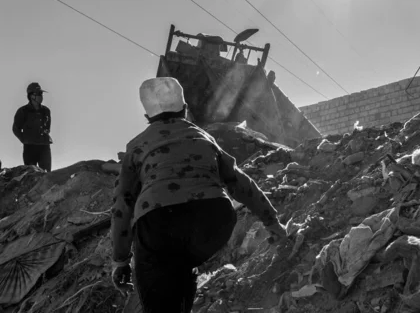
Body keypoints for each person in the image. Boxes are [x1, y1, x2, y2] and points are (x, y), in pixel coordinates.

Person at [111, 77, 288, 313]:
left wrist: (121, 260)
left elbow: (123, 205)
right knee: (183, 264)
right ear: (185, 109)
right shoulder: (204, 138)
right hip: (213, 218)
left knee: (161, 291)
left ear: (147, 117)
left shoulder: (137, 146)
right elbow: (239, 181)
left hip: (159, 222)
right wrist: (272, 221)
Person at [12, 82, 52, 171]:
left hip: (44, 146)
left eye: (41, 94)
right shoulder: (23, 111)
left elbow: (48, 127)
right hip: (30, 148)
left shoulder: (46, 111)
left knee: (46, 175)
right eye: (38, 94)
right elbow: (15, 128)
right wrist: (24, 139)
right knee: (31, 175)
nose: (41, 96)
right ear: (31, 96)